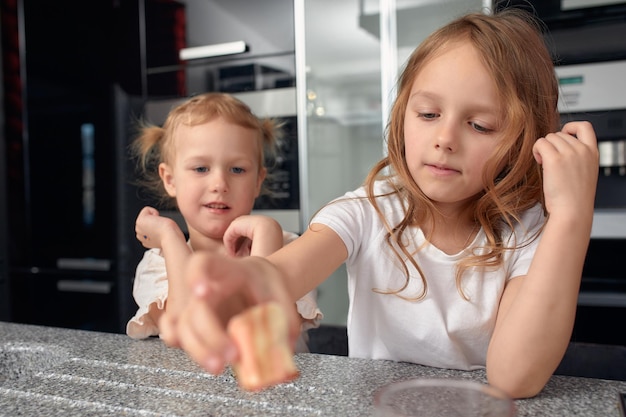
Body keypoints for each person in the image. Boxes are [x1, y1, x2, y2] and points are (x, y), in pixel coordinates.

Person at [159, 9, 599, 399]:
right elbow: (280, 273)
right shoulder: (368, 211)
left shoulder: (524, 230)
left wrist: (572, 218)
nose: (444, 139)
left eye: (480, 125)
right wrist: (232, 288)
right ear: (403, 113)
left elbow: (514, 379)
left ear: (525, 142)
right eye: (427, 115)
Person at [125, 92, 321, 353]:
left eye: (237, 169)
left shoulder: (287, 248)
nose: (219, 184)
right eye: (201, 169)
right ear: (170, 179)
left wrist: (267, 233)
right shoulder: (158, 264)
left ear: (257, 181)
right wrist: (170, 236)